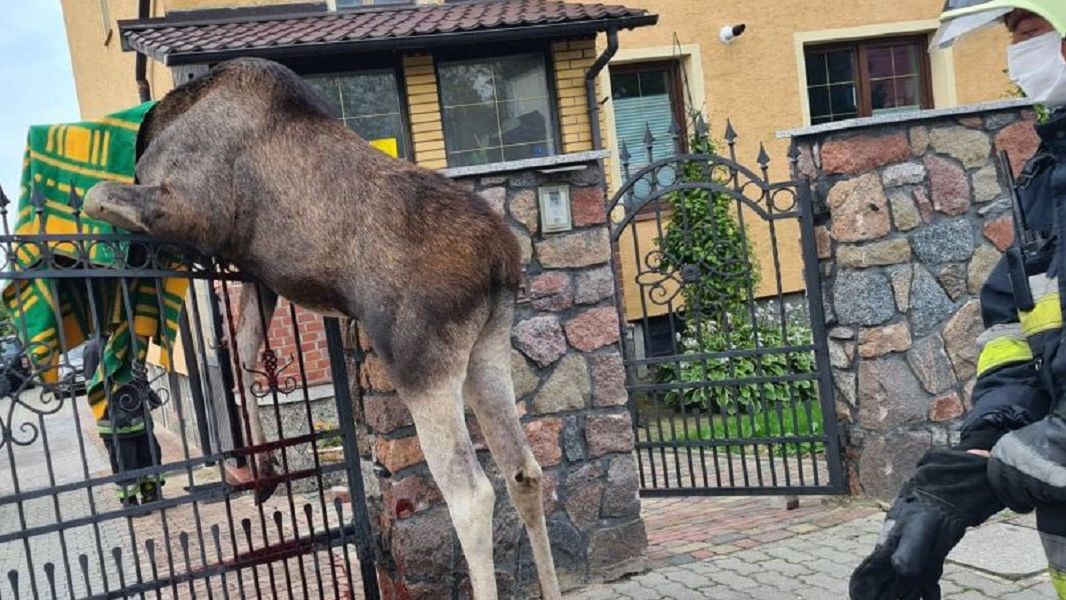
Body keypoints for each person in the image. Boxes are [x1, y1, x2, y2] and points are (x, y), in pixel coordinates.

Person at [851, 2, 1066, 598]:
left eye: (1031, 33)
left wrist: (1002, 470)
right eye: (1014, 38)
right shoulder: (1049, 176)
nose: (1019, 56)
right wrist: (987, 438)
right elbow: (1016, 331)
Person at [82, 336, 165, 508]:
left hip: (138, 414)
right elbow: (93, 387)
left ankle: (151, 494)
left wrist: (148, 392)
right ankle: (129, 501)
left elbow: (136, 374)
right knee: (125, 463)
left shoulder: (125, 338)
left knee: (150, 455)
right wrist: (113, 408)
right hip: (114, 422)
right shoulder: (93, 348)